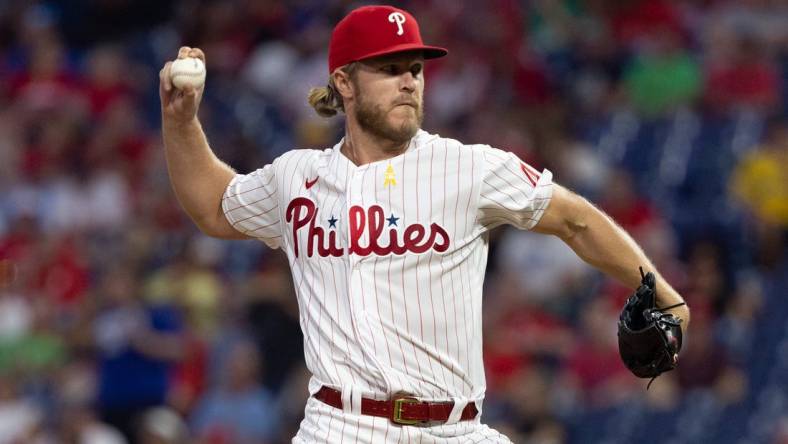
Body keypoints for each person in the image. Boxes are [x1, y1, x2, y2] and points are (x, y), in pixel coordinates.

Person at [159, 5, 690, 442]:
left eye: (414, 68)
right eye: (388, 69)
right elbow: (213, 205)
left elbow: (575, 221)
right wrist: (181, 121)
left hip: (457, 430)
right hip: (339, 427)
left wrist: (666, 295)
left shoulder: (469, 167)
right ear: (343, 82)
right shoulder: (296, 177)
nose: (408, 82)